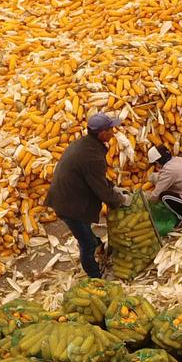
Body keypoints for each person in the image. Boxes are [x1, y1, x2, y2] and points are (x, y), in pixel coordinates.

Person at [48, 112, 129, 278]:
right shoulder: (91, 155)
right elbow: (99, 188)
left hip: (67, 197)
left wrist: (112, 187)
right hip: (70, 205)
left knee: (88, 236)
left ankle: (100, 250)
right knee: (86, 245)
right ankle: (95, 277)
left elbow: (94, 177)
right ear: (101, 133)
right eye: (110, 129)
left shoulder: (85, 144)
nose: (113, 132)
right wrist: (119, 200)